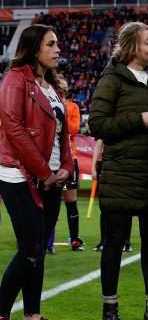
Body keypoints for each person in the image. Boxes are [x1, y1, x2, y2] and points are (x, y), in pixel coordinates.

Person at [89, 21, 148, 320]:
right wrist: (138, 119)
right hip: (121, 176)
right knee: (114, 243)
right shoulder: (112, 78)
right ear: (132, 47)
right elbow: (97, 124)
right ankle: (110, 312)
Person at [0, 24, 73, 320]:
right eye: (51, 44)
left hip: (52, 178)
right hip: (20, 175)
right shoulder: (15, 80)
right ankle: (1, 318)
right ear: (33, 48)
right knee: (29, 249)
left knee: (38, 252)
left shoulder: (51, 85)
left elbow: (63, 133)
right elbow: (13, 129)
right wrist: (44, 172)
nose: (58, 49)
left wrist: (67, 166)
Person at [47, 76, 84, 252]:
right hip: (50, 159)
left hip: (70, 158)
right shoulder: (45, 103)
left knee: (71, 200)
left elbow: (74, 129)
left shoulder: (72, 107)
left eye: (61, 88)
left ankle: (75, 240)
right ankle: (45, 242)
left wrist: (61, 111)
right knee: (45, 201)